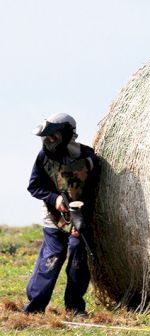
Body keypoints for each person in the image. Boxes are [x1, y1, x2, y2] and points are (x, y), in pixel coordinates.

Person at [24, 113, 99, 315]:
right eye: (46, 136)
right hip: (53, 218)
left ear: (66, 134)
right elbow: (34, 186)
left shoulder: (88, 157)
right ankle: (34, 309)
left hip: (79, 219)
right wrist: (54, 199)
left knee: (77, 261)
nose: (49, 140)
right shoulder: (43, 156)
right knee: (51, 260)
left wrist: (82, 219)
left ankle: (74, 308)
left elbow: (96, 190)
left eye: (53, 136)